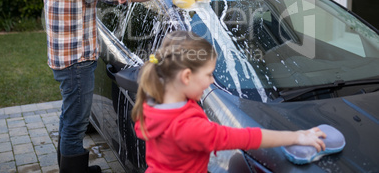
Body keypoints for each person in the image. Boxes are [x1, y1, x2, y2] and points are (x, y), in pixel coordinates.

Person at [43, 0, 205, 173]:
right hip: (75, 62)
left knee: (69, 116)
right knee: (75, 122)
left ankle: (69, 166)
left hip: (64, 58)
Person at [132, 31, 327, 173]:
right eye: (209, 74)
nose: (211, 81)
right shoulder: (188, 128)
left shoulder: (154, 103)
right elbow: (246, 138)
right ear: (186, 77)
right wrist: (297, 137)